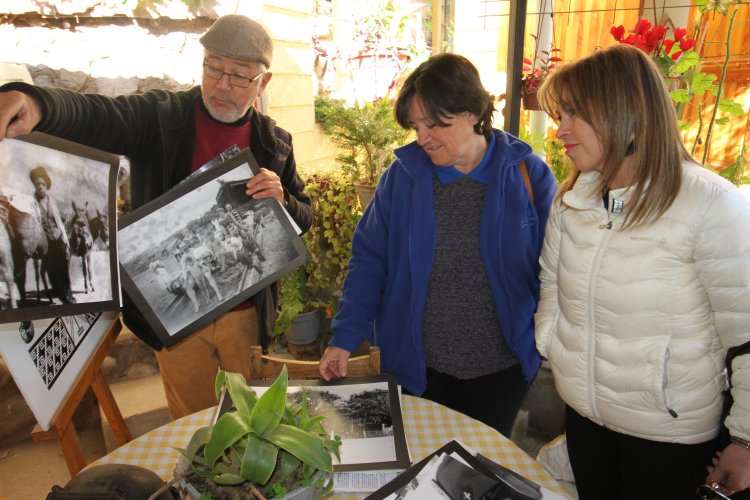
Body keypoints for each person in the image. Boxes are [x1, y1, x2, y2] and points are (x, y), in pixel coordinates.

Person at [0, 14, 313, 419]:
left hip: (246, 317)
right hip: (177, 326)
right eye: (214, 68)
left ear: (263, 83)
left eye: (239, 77)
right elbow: (100, 116)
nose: (222, 84)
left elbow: (304, 216)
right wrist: (37, 103)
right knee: (193, 425)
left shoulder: (276, 143)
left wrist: (283, 199)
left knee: (254, 420)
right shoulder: (160, 117)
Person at [533, 44, 750, 499]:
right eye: (559, 115)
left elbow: (747, 334)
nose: (560, 131)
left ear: (624, 111)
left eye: (573, 115)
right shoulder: (573, 201)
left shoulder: (712, 205)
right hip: (585, 419)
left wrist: (746, 440)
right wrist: (552, 343)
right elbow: (551, 282)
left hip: (668, 438)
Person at [318, 53, 557, 437]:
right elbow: (369, 261)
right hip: (416, 370)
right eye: (416, 125)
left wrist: (545, 344)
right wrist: (345, 338)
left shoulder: (529, 175)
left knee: (477, 475)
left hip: (500, 372)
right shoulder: (403, 178)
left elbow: (556, 271)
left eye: (434, 123)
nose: (422, 137)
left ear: (473, 112)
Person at [30, 166, 75, 304]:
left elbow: (59, 223)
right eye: (38, 185)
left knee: (63, 267)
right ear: (35, 186)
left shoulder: (51, 201)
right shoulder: (33, 202)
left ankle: (68, 292)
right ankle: (62, 295)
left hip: (58, 237)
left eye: (43, 184)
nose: (40, 187)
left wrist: (66, 242)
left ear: (46, 186)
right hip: (46, 241)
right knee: (52, 270)